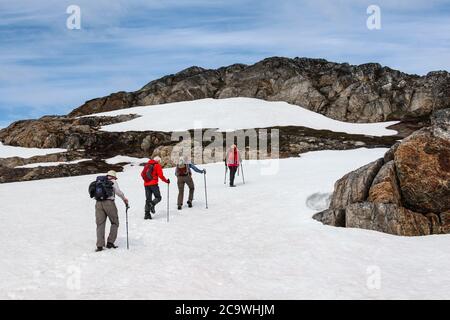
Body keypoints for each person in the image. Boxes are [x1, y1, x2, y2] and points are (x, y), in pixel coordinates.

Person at [95, 170, 129, 252]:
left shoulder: (99, 181)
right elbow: (118, 192)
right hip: (109, 203)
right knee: (114, 222)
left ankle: (99, 245)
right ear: (114, 176)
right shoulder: (112, 181)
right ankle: (110, 242)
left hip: (98, 203)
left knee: (100, 224)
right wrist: (124, 199)